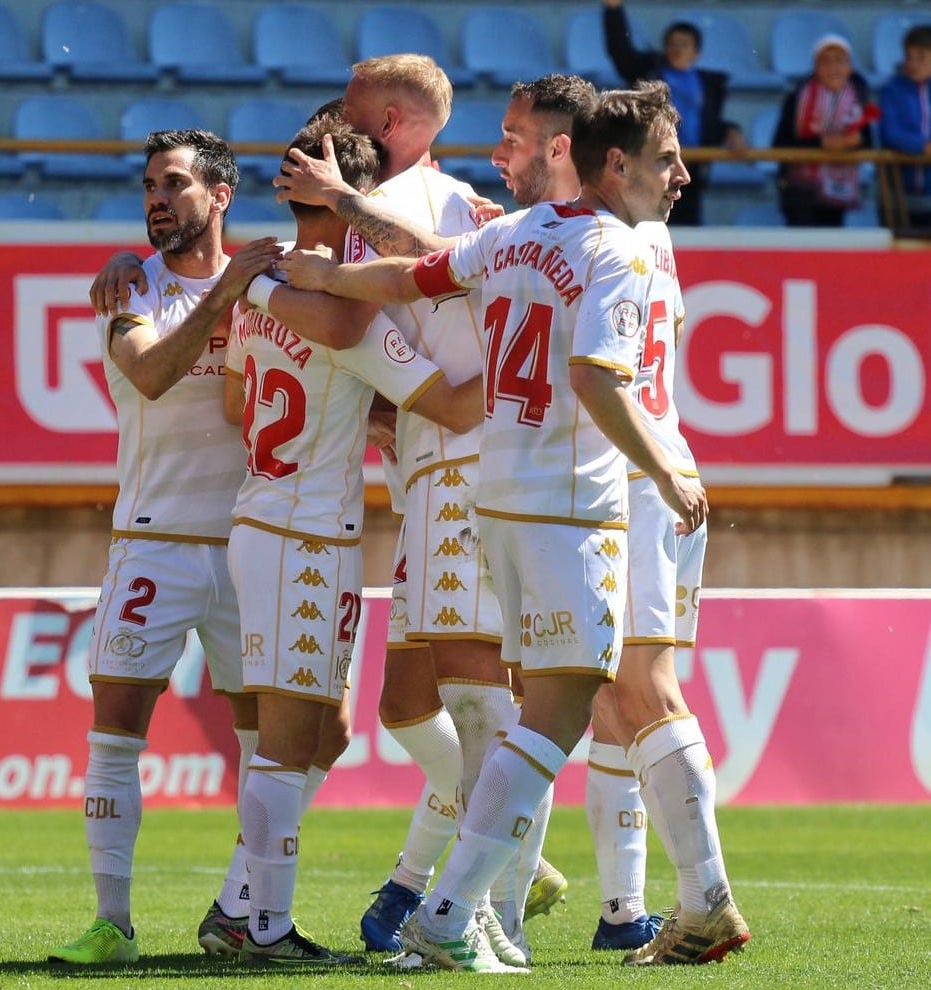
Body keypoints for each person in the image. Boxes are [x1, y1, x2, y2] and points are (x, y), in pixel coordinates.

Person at [279, 80, 714, 972]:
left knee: (535, 709)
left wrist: (322, 271)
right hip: (575, 503)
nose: (683, 178)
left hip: (498, 500)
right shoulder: (620, 251)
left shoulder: (512, 234)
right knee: (553, 713)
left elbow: (414, 272)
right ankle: (458, 909)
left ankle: (460, 900)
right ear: (614, 165)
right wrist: (664, 465)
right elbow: (597, 377)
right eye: (668, 161)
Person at [271, 66, 593, 963]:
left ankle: (492, 915)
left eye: (347, 100)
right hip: (424, 469)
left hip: (468, 462)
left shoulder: (440, 199)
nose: (330, 118)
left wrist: (332, 215)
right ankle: (486, 879)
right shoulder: (379, 206)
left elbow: (441, 271)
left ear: (383, 115)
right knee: (413, 704)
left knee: (484, 702)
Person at [220, 113, 484, 966]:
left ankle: (240, 907)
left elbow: (236, 405)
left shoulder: (259, 284)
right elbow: (447, 403)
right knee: (289, 741)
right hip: (305, 533)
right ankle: (262, 927)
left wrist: (347, 407)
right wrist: (538, 370)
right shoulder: (345, 307)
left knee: (311, 735)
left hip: (263, 514)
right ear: (359, 197)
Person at [47, 129, 282, 965]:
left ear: (220, 196)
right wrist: (228, 295)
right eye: (149, 184)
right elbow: (149, 375)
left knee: (275, 744)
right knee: (115, 733)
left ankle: (238, 907)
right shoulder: (130, 289)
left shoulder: (276, 285)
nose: (156, 197)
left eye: (174, 183)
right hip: (154, 543)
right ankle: (112, 922)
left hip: (255, 546)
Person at [584, 214, 750, 964]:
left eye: (517, 137)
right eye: (671, 160)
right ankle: (628, 908)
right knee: (618, 702)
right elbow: (670, 330)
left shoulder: (587, 237)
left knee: (642, 691)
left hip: (629, 482)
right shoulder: (653, 239)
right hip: (667, 467)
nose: (684, 177)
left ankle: (706, 900)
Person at [602, 0, 744, 226]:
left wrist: (731, 130)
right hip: (652, 167)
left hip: (691, 170)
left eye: (684, 44)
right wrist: (613, 10)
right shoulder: (649, 73)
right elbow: (620, 50)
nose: (677, 49)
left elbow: (707, 125)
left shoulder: (710, 85)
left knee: (688, 232)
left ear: (696, 53)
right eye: (672, 43)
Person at [773, 34, 876, 227]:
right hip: (799, 191)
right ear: (815, 66)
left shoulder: (859, 100)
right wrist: (822, 144)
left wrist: (851, 142)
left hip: (837, 192)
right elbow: (780, 145)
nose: (834, 68)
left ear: (850, 67)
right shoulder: (796, 98)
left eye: (840, 61)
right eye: (826, 61)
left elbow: (868, 143)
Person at [878, 24, 931, 231]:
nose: (913, 63)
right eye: (909, 56)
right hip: (897, 196)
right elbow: (890, 133)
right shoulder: (891, 90)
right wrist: (923, 147)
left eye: (921, 57)